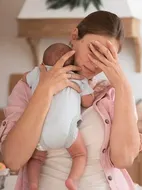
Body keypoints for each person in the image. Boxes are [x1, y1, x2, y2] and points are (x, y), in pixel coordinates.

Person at [0, 10, 142, 190]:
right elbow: (13, 160)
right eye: (93, 50)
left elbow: (124, 158)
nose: (95, 62)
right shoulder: (30, 86)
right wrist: (45, 91)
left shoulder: (112, 94)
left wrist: (123, 86)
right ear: (74, 35)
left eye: (105, 56)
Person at [25, 43, 94, 190]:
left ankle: (32, 183)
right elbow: (88, 102)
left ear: (43, 63)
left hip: (40, 129)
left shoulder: (39, 73)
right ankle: (72, 180)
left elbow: (25, 81)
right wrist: (87, 86)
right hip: (66, 130)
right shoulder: (77, 78)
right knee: (80, 155)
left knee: (36, 158)